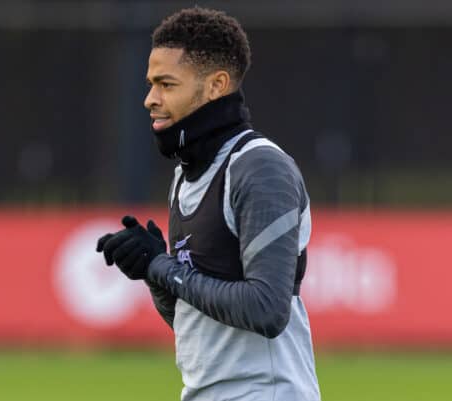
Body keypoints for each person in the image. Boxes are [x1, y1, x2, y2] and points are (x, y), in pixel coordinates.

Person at [96, 7, 321, 401]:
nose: (150, 99)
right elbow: (196, 324)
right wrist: (152, 274)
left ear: (217, 85)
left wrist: (161, 266)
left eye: (166, 84)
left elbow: (265, 310)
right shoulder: (186, 174)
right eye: (151, 84)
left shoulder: (260, 168)